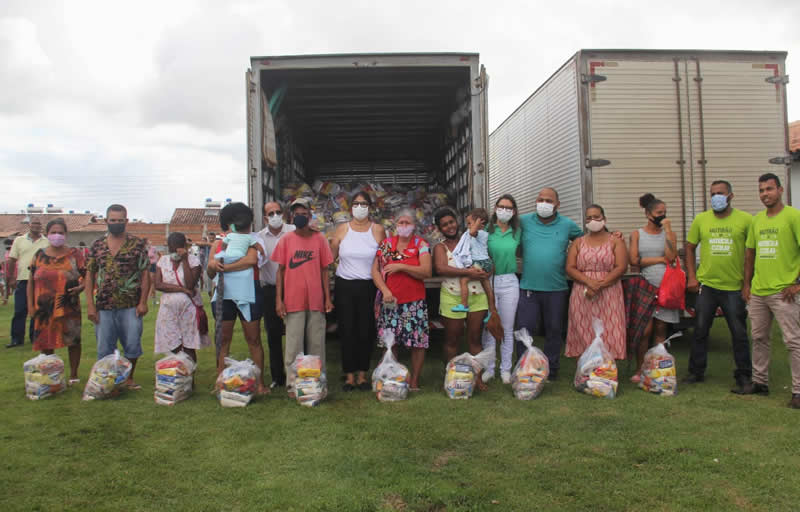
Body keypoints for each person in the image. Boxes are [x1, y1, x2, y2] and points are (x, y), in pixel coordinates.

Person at [684, 180, 753, 393]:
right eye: (713, 193)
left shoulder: (746, 220)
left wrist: (747, 284)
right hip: (708, 286)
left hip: (734, 287)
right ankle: (696, 371)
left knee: (739, 332)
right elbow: (689, 247)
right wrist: (692, 277)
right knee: (700, 330)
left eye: (720, 193)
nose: (716, 197)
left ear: (731, 195)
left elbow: (752, 252)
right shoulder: (701, 220)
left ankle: (743, 375)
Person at [742, 173, 800, 409]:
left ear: (780, 190)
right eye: (761, 190)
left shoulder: (793, 217)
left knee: (793, 341)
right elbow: (750, 254)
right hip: (759, 292)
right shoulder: (757, 220)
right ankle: (759, 382)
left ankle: (798, 391)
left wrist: (797, 283)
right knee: (758, 338)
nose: (765, 194)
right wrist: (747, 284)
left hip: (784, 291)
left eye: (769, 189)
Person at [516, 188, 583, 380]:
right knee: (523, 328)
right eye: (540, 199)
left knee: (554, 330)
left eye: (548, 200)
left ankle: (551, 369)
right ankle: (523, 366)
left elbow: (586, 241)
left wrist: (613, 235)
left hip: (556, 288)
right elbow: (503, 233)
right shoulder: (524, 221)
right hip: (529, 286)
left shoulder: (567, 225)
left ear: (557, 205)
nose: (544, 203)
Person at [207, 202, 269, 395]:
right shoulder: (218, 243)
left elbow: (250, 261)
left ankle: (259, 383)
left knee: (254, 339)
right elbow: (209, 271)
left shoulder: (252, 240)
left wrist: (222, 267)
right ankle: (220, 381)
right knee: (223, 339)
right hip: (223, 295)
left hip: (249, 294)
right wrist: (212, 266)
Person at [85, 205, 150, 390]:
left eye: (120, 220)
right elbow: (89, 275)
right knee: (104, 346)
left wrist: (143, 302)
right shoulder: (97, 245)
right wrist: (90, 305)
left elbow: (145, 273)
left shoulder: (137, 244)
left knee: (132, 342)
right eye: (113, 220)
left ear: (126, 221)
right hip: (104, 305)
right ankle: (107, 380)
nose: (116, 223)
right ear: (106, 221)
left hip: (131, 304)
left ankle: (129, 378)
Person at [272, 198, 334, 391]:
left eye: (304, 214)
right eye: (297, 214)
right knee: (293, 345)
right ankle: (293, 384)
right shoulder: (286, 240)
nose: (300, 217)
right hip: (293, 301)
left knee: (317, 345)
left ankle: (317, 382)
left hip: (316, 301)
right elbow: (280, 271)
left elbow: (325, 270)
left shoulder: (319, 239)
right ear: (291, 217)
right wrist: (279, 300)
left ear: (310, 216)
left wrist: (327, 298)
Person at [434, 208, 494, 390]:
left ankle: (477, 379)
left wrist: (484, 272)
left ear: (457, 222)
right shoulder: (440, 247)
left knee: (475, 339)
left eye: (451, 222)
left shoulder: (471, 239)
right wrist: (468, 272)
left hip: (477, 297)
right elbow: (441, 268)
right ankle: (452, 376)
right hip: (452, 298)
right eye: (444, 224)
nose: (449, 226)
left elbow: (488, 264)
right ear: (439, 228)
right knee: (452, 340)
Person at [331, 191, 385, 391]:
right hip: (345, 285)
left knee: (366, 330)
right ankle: (349, 376)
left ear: (370, 207)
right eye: (356, 203)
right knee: (347, 330)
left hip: (369, 286)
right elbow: (331, 257)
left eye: (364, 204)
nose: (360, 207)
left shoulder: (378, 230)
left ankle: (362, 374)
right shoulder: (341, 229)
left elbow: (385, 257)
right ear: (350, 207)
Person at [373, 208, 432, 391]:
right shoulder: (386, 244)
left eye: (408, 223)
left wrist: (401, 266)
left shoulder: (420, 244)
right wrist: (385, 290)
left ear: (414, 225)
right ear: (395, 224)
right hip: (390, 302)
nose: (404, 226)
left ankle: (414, 381)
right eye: (401, 223)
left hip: (415, 302)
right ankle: (392, 378)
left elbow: (426, 272)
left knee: (417, 342)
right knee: (390, 343)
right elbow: (375, 271)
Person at [565, 205, 628, 361]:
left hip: (609, 292)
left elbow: (621, 267)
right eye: (589, 217)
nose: (593, 220)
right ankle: (585, 370)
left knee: (610, 329)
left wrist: (599, 284)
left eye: (596, 217)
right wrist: (589, 282)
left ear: (604, 219)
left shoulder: (615, 241)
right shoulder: (578, 243)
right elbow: (570, 267)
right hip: (583, 292)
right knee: (584, 329)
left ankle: (607, 370)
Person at [27, 218, 85, 384]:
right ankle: (51, 375)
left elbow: (88, 277)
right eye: (53, 232)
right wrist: (31, 306)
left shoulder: (75, 255)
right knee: (46, 341)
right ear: (47, 234)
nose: (57, 235)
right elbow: (30, 281)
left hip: (69, 306)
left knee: (73, 340)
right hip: (43, 307)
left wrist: (81, 288)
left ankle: (74, 375)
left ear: (66, 234)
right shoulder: (39, 255)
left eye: (60, 232)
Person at [628, 193, 679, 382]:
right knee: (644, 331)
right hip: (645, 286)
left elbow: (671, 256)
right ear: (648, 214)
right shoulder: (637, 234)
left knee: (660, 330)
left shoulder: (669, 234)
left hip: (666, 286)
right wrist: (659, 260)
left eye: (665, 213)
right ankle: (640, 368)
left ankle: (658, 368)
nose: (662, 216)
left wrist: (668, 230)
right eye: (659, 213)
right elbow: (633, 260)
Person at [481, 195, 522, 384]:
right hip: (489, 280)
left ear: (513, 211)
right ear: (495, 208)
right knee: (490, 325)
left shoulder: (517, 231)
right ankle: (489, 367)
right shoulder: (487, 231)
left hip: (509, 281)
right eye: (501, 206)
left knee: (506, 326)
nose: (504, 210)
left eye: (509, 207)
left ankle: (505, 368)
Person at [154, 232, 210, 362]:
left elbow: (190, 285)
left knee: (189, 345)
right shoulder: (163, 261)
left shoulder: (193, 261)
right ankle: (177, 375)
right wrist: (181, 289)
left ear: (184, 247)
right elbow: (158, 284)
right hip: (168, 309)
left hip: (188, 308)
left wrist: (184, 260)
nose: (175, 252)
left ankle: (189, 378)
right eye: (172, 249)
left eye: (178, 248)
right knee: (173, 344)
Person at [257, 201, 295, 388]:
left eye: (278, 212)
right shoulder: (259, 238)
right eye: (270, 213)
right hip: (270, 290)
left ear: (284, 214)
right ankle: (277, 378)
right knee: (273, 335)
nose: (275, 216)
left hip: (293, 288)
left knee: (294, 333)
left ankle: (296, 374)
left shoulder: (294, 231)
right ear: (265, 217)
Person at [7, 218, 49, 348]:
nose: (36, 226)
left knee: (37, 310)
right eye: (34, 224)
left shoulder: (46, 241)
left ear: (42, 226)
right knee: (20, 310)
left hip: (40, 281)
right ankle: (16, 339)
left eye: (39, 224)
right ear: (29, 225)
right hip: (23, 280)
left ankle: (35, 337)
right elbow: (12, 260)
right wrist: (11, 277)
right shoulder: (19, 240)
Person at [450, 208, 495, 317]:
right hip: (485, 263)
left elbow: (472, 232)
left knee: (464, 280)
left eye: (470, 223)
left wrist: (477, 224)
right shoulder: (481, 234)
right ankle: (492, 310)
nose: (468, 226)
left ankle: (464, 304)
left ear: (480, 222)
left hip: (480, 263)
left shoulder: (481, 233)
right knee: (488, 287)